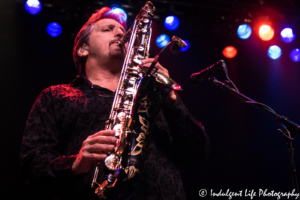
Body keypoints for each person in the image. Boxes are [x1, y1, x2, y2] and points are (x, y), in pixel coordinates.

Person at [21, 7, 210, 200]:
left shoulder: (155, 94)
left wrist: (170, 97)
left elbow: (197, 152)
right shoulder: (55, 96)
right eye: (107, 29)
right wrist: (75, 163)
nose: (120, 33)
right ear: (83, 49)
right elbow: (32, 165)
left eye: (121, 30)